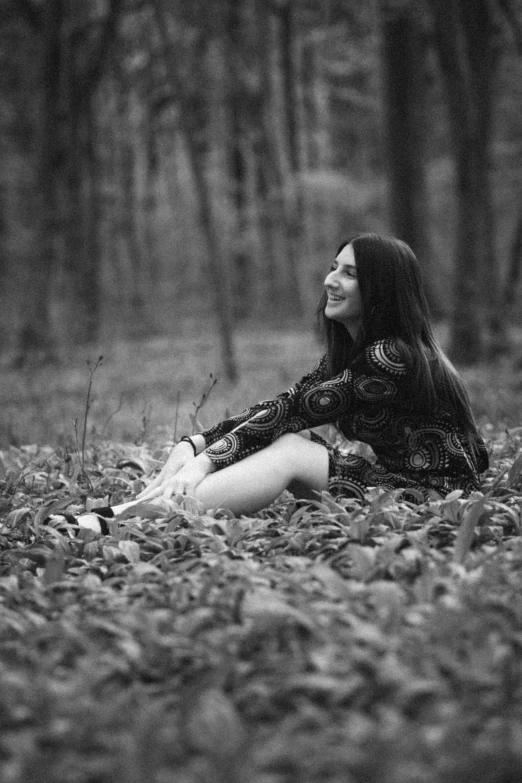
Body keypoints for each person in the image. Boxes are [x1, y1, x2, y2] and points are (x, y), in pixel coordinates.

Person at [130, 233, 488, 517]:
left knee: (290, 450)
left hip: (438, 501)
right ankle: (136, 511)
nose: (330, 280)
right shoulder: (352, 354)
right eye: (334, 268)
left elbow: (291, 413)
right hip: (399, 488)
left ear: (381, 290)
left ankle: (136, 516)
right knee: (287, 435)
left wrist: (203, 463)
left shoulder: (391, 356)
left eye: (349, 274)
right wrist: (193, 444)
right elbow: (284, 406)